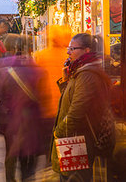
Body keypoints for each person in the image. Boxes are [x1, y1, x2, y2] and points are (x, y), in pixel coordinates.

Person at [51, 33, 115, 181]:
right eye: (68, 48)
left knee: (74, 178)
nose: (68, 52)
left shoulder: (87, 75)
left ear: (86, 50)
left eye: (72, 48)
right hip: (76, 138)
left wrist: (58, 132)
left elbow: (77, 111)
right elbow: (71, 100)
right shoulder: (80, 71)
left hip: (78, 141)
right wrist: (66, 80)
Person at [0, 34, 44, 182]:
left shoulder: (1, 67)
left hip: (10, 117)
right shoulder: (36, 67)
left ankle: (10, 179)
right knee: (29, 154)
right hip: (32, 118)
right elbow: (42, 93)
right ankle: (28, 178)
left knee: (11, 153)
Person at [33, 25, 72, 155]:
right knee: (65, 143)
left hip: (47, 109)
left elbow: (36, 84)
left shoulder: (41, 56)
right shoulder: (68, 58)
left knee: (49, 144)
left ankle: (51, 164)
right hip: (66, 108)